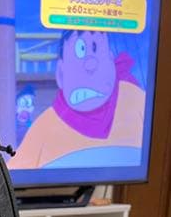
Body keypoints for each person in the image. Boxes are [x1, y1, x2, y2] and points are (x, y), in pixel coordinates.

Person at [8, 30, 145, 169]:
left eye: (96, 48)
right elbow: (11, 172)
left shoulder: (133, 97)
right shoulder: (44, 128)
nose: (90, 64)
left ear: (111, 61)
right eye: (81, 51)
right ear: (60, 73)